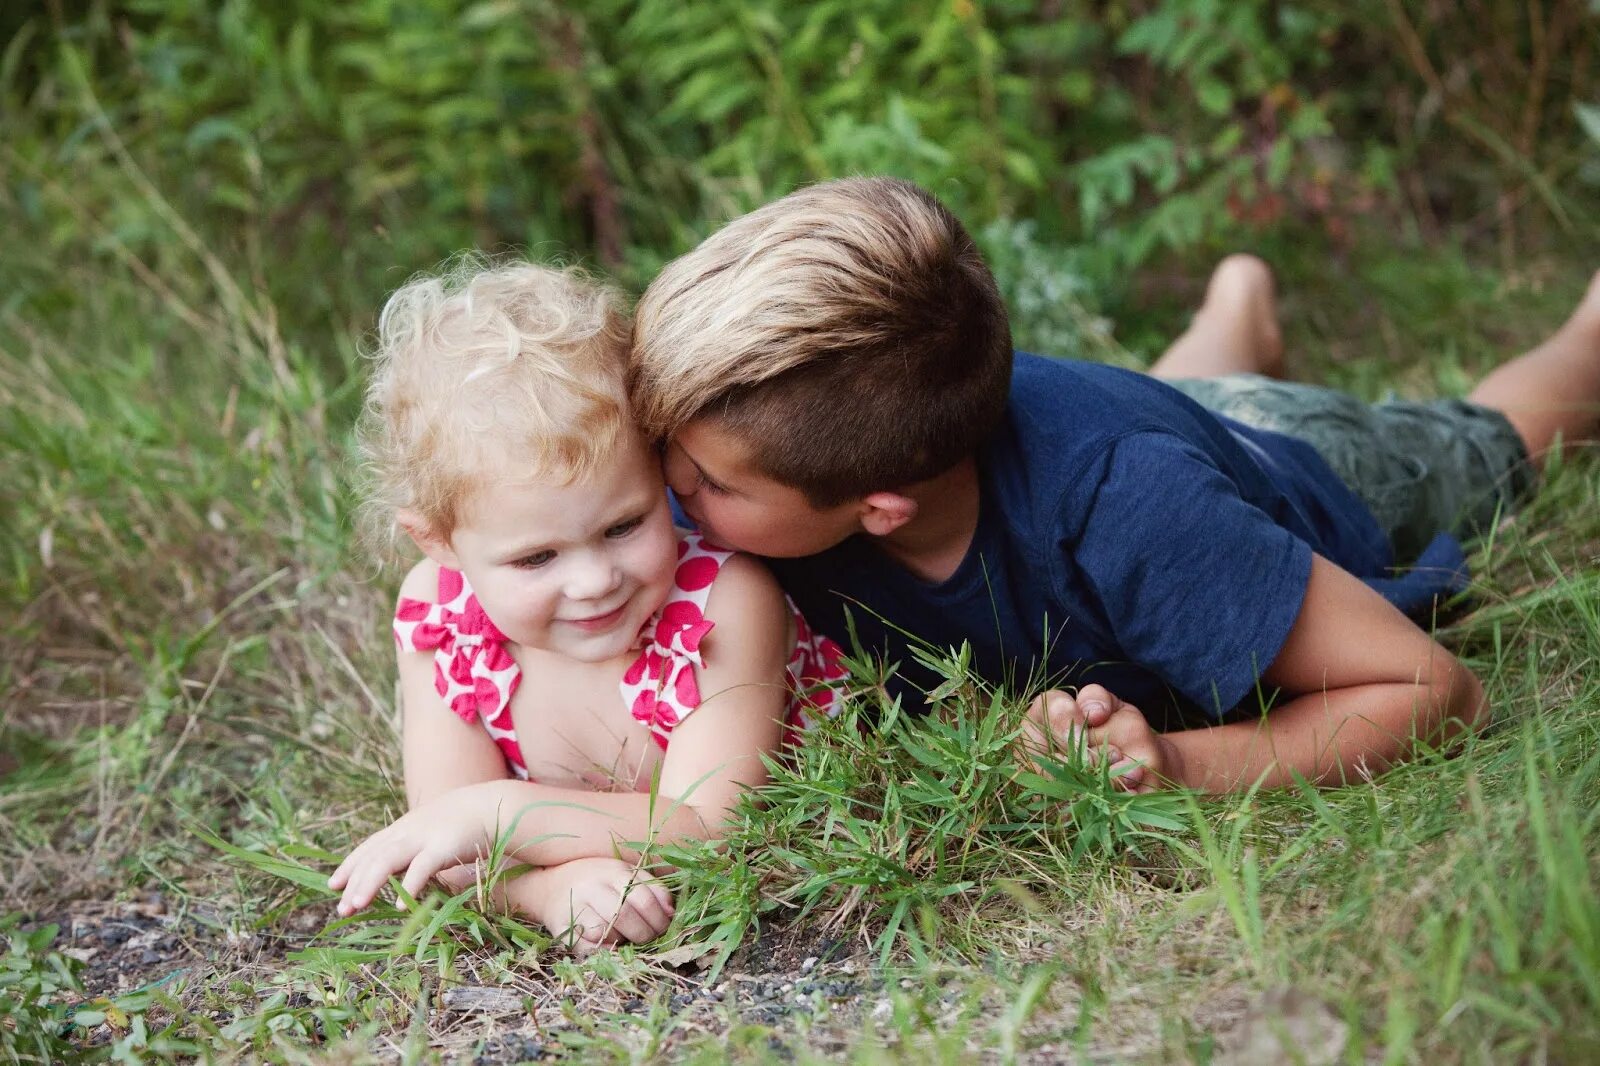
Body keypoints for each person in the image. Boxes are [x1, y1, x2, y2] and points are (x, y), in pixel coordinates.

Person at [628, 176, 1600, 794]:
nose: (668, 490)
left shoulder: (1133, 516)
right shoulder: (823, 452)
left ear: (879, 506)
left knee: (1495, 434)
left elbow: (1433, 687)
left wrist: (1179, 761)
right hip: (1140, 418)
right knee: (1173, 401)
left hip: (1289, 458)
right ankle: (1236, 303)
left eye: (707, 482)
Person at [328, 258, 846, 949]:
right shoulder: (440, 612)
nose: (595, 580)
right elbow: (444, 838)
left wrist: (501, 811)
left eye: (625, 525)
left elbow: (714, 827)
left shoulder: (723, 602)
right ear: (440, 541)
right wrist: (547, 890)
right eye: (537, 558)